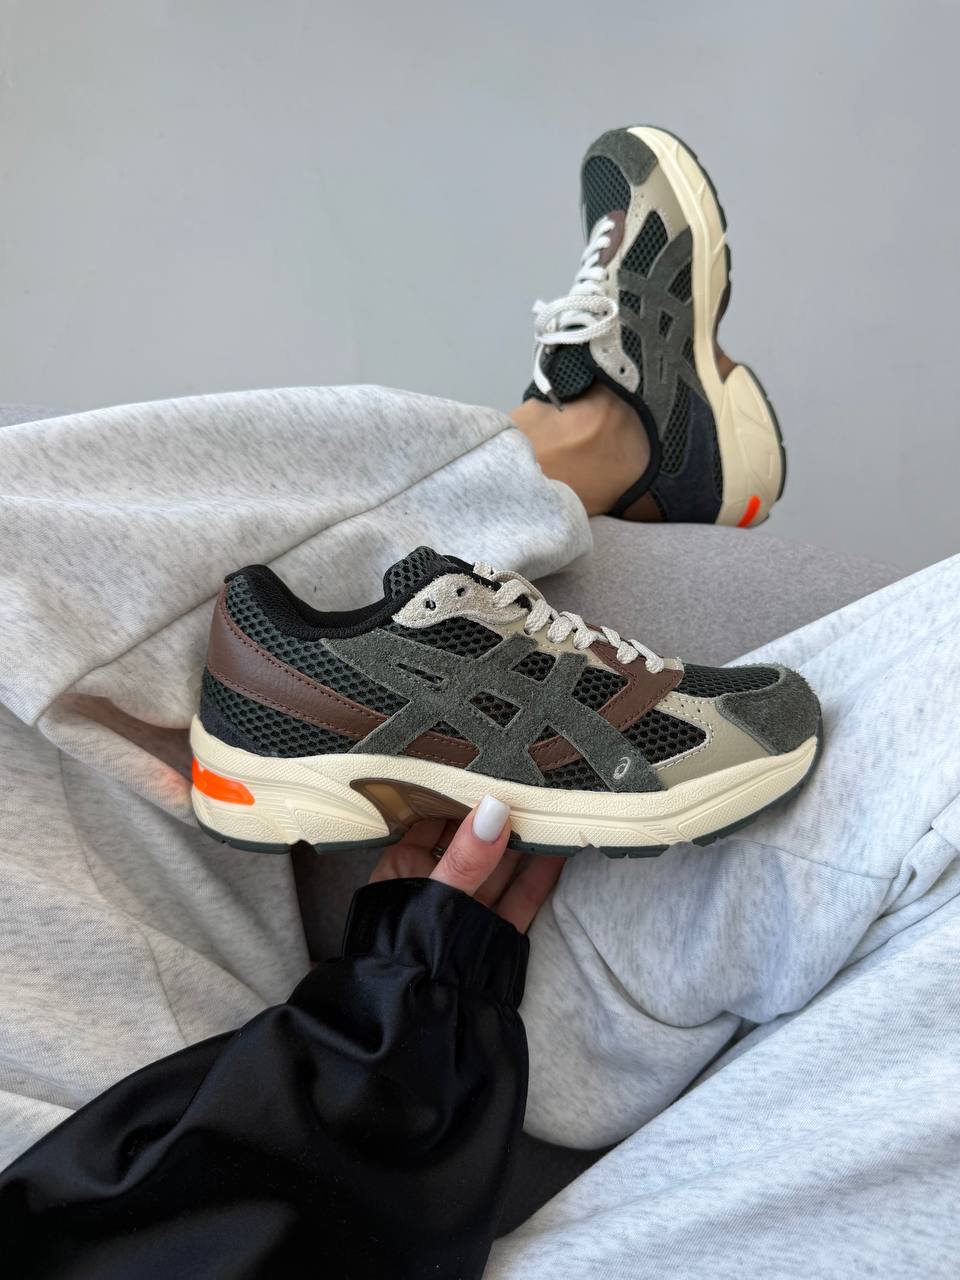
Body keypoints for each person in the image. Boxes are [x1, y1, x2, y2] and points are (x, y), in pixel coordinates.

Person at [0, 125, 958, 1279]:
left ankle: (522, 499)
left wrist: (404, 992)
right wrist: (396, 1019)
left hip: (270, 1068)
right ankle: (578, 453)